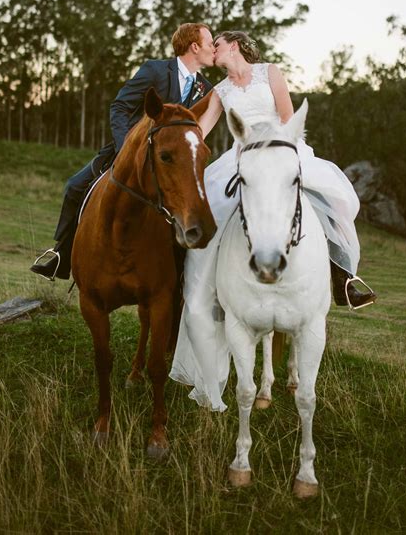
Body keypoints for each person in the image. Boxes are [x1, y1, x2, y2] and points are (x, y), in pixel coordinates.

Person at [169, 30, 376, 412]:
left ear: (233, 46)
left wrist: (275, 153)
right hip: (238, 157)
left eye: (217, 43)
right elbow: (203, 130)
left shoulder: (270, 73)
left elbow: (287, 117)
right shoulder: (219, 91)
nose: (212, 48)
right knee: (205, 215)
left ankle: (344, 276)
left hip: (281, 147)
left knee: (334, 196)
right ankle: (203, 287)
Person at [30, 22, 215, 280]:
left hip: (172, 164)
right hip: (129, 151)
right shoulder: (156, 70)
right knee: (74, 187)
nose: (214, 49)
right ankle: (61, 257)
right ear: (194, 47)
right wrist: (125, 147)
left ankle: (181, 278)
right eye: (210, 44)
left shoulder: (205, 88)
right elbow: (119, 107)